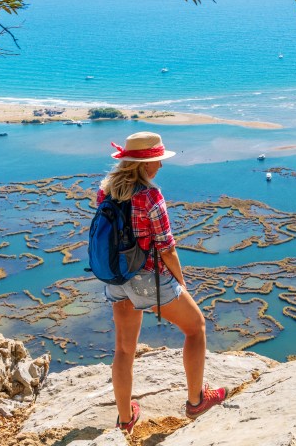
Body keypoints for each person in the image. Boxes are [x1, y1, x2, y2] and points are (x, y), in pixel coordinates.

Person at [97, 132, 225, 434]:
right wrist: (181, 282)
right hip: (148, 279)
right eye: (157, 160)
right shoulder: (151, 197)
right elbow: (166, 247)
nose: (160, 166)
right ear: (144, 164)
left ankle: (126, 419)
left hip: (116, 278)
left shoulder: (105, 191)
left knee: (124, 349)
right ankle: (196, 401)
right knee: (196, 327)